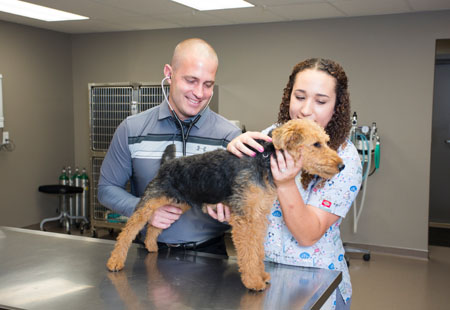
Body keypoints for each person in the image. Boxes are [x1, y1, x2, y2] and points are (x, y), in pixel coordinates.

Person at [227, 58, 362, 309]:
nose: (306, 110)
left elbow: (307, 235)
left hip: (315, 282)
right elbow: (244, 200)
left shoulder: (344, 160)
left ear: (337, 107)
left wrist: (286, 183)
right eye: (299, 97)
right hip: (264, 275)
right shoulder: (271, 136)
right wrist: (234, 153)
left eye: (321, 101)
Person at [98, 38, 241, 256]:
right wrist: (145, 210)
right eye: (191, 80)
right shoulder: (132, 129)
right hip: (148, 250)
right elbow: (106, 189)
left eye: (208, 84)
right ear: (169, 73)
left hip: (209, 255)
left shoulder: (229, 137)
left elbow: (240, 197)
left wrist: (231, 209)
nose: (199, 93)